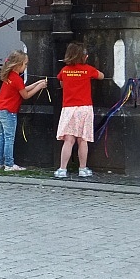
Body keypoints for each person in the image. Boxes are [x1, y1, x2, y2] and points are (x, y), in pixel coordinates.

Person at [54, 42, 105, 178]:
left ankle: (62, 169)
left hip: (69, 108)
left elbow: (61, 83)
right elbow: (101, 75)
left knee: (68, 140)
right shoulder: (88, 70)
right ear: (84, 56)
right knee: (83, 140)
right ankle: (82, 169)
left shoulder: (64, 70)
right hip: (84, 108)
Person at [0, 51, 48, 171]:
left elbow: (21, 89)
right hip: (9, 112)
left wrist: (37, 83)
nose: (26, 67)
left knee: (2, 136)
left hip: (0, 110)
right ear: (18, 64)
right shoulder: (17, 78)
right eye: (25, 64)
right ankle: (9, 164)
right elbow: (25, 95)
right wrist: (39, 87)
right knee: (9, 138)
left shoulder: (9, 76)